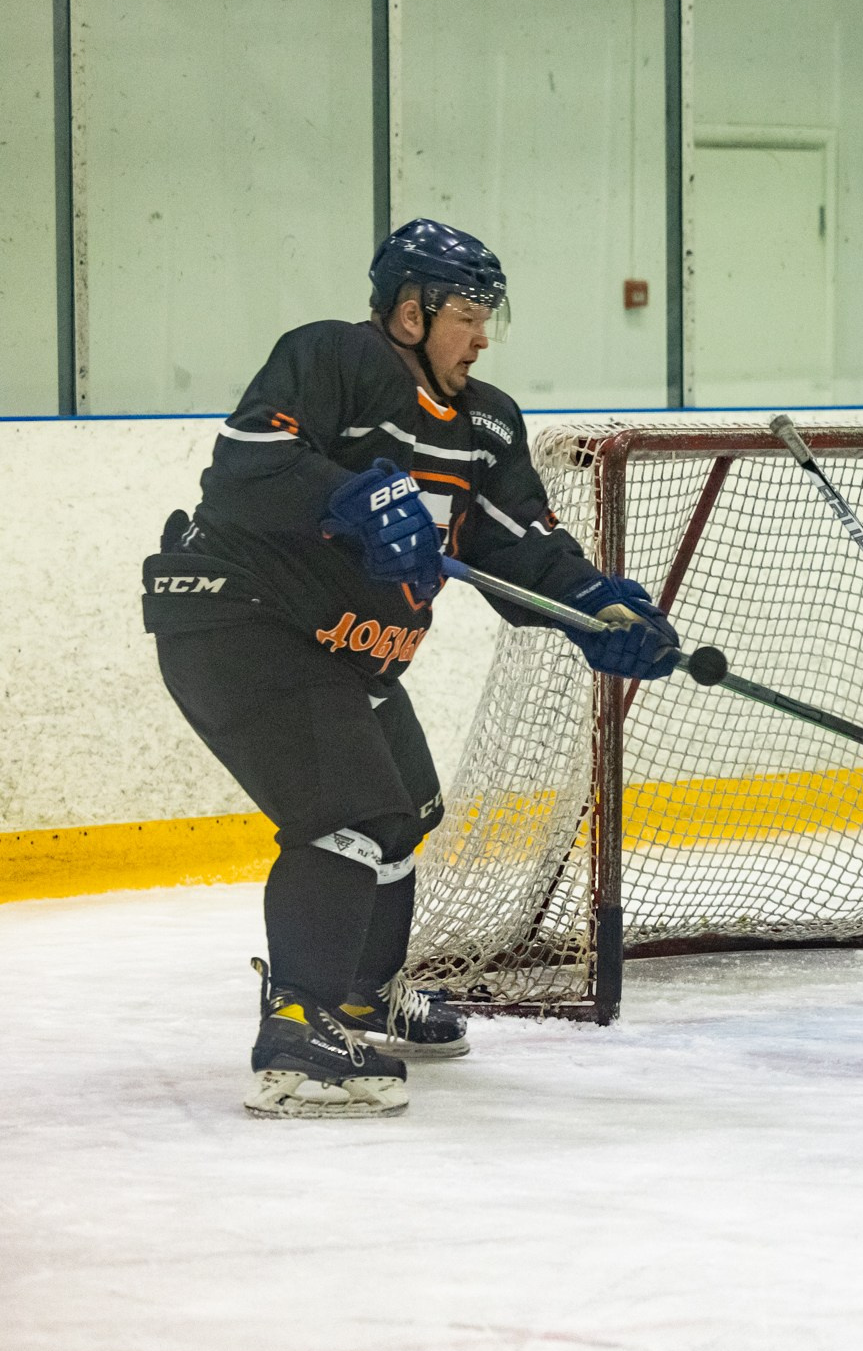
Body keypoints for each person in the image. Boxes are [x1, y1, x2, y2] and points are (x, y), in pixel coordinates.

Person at [141, 220, 683, 1118]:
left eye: (487, 318)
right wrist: (347, 494)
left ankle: (360, 997)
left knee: (405, 810)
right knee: (352, 810)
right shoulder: (332, 359)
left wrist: (596, 609)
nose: (481, 336)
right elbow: (247, 465)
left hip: (342, 653)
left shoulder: (488, 422)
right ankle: (296, 1032)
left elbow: (520, 547)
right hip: (240, 620)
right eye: (466, 314)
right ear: (406, 311)